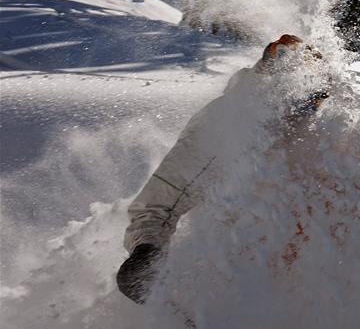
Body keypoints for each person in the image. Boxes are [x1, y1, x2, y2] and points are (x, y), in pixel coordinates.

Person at [116, 34, 324, 303]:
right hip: (228, 144)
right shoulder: (232, 120)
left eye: (314, 100)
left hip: (248, 248)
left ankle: (218, 302)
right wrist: (146, 254)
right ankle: (164, 282)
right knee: (163, 209)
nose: (310, 108)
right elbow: (158, 206)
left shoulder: (277, 128)